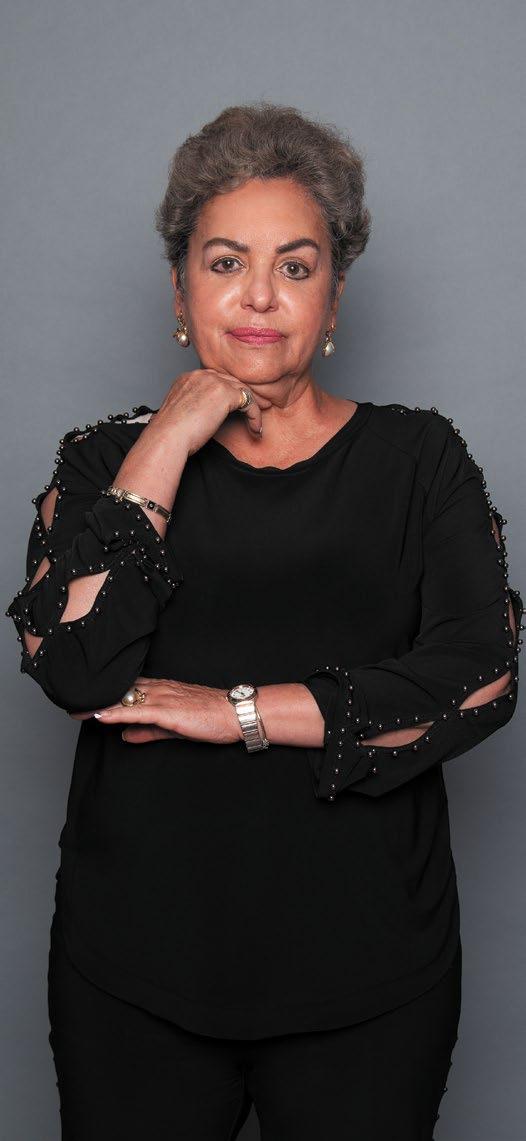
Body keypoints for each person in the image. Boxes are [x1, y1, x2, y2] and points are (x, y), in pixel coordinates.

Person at [5, 101, 523, 1140]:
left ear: (333, 297)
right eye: (225, 261)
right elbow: (74, 665)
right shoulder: (101, 465)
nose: (257, 295)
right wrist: (172, 432)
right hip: (134, 968)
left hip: (371, 970)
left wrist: (234, 711)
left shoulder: (419, 461)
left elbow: (480, 673)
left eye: (295, 265)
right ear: (180, 288)